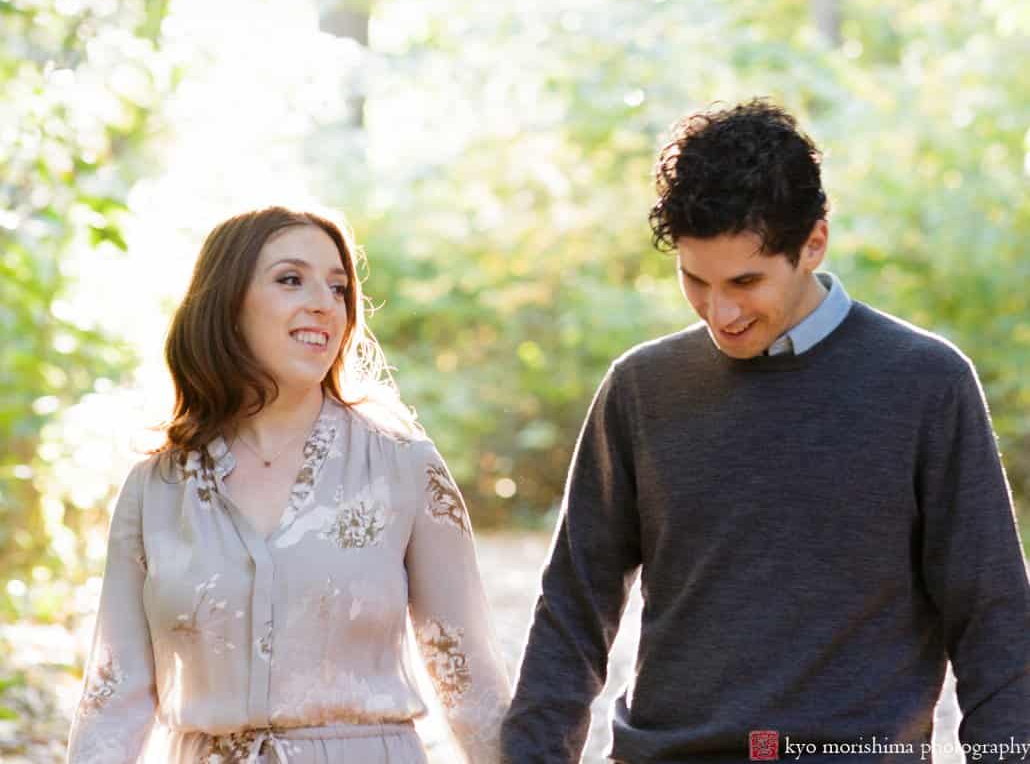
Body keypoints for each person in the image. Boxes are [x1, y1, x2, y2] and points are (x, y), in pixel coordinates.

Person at [501, 99, 1030, 763]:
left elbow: (994, 620)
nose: (720, 312)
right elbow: (573, 608)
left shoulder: (925, 384)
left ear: (813, 242)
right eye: (695, 279)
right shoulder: (642, 388)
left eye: (745, 281)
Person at [68, 206, 510, 764]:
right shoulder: (156, 488)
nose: (325, 303)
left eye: (339, 287)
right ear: (226, 306)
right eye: (290, 279)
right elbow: (115, 693)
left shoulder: (404, 467)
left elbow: (469, 677)